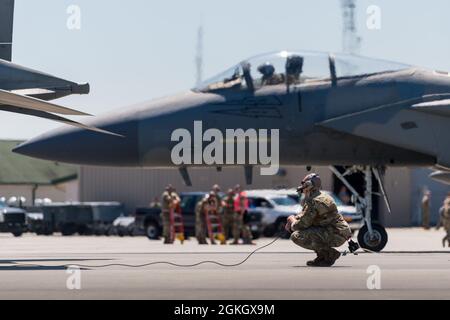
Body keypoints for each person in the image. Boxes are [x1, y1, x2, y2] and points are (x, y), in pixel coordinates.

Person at [285, 173, 352, 267]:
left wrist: (291, 220)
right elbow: (306, 215)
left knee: (297, 236)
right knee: (312, 232)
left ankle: (330, 254)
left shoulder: (314, 201)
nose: (302, 186)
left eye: (303, 183)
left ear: (308, 185)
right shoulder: (321, 196)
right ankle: (322, 257)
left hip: (335, 234)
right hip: (338, 231)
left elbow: (302, 224)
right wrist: (294, 218)